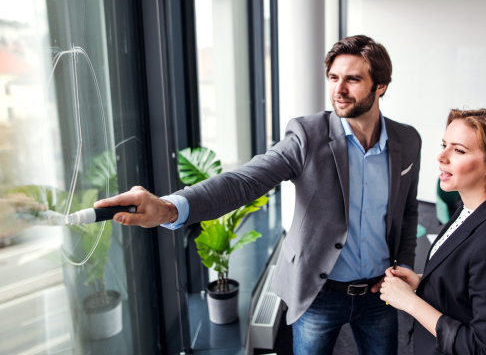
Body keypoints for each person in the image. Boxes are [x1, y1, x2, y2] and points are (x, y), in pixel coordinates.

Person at [95, 35, 422, 355]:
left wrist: (403, 265)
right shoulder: (308, 135)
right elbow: (244, 181)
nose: (338, 89)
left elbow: (407, 211)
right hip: (319, 291)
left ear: (380, 86)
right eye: (334, 77)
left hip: (381, 291)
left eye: (352, 79)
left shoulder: (407, 140)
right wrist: (169, 208)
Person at [380, 108, 486, 355]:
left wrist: (411, 303)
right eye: (444, 145)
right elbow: (465, 286)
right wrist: (424, 283)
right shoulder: (467, 208)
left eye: (458, 150)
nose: (441, 157)